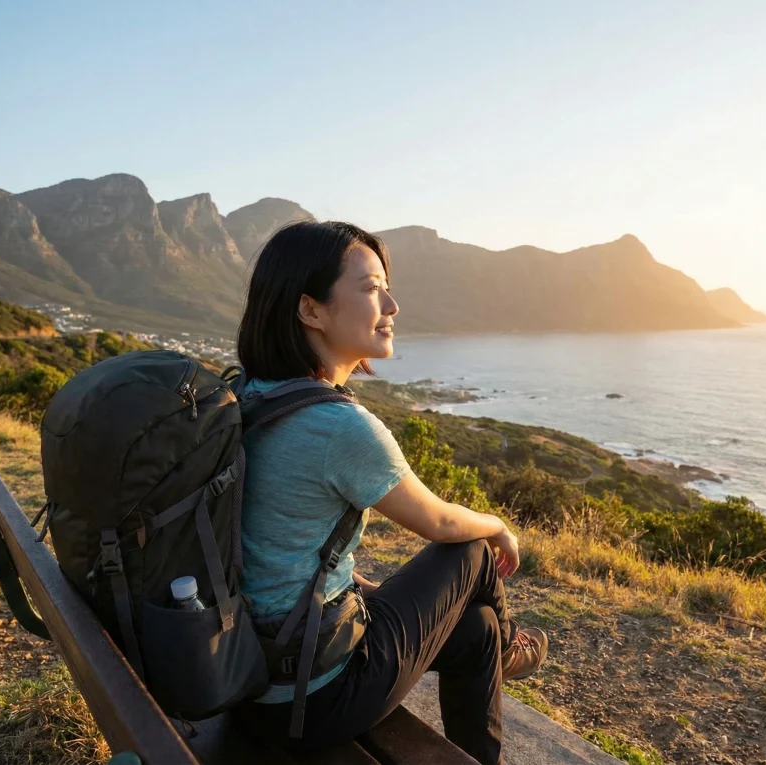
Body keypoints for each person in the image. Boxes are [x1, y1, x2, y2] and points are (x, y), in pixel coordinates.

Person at [235, 220, 548, 765]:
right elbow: (442, 525)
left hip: (254, 676)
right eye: (370, 288)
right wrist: (499, 525)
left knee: (475, 630)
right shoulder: (337, 427)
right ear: (310, 310)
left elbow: (279, 541)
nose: (392, 305)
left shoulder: (249, 394)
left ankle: (491, 682)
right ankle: (511, 647)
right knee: (472, 550)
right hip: (314, 696)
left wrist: (360, 586)